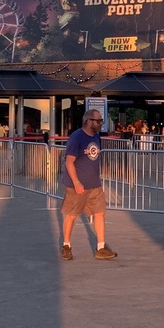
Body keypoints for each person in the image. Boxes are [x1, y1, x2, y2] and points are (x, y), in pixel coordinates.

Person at [60, 109, 116, 260]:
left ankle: (101, 247)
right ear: (89, 121)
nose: (100, 123)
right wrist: (77, 183)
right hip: (77, 186)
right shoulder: (76, 137)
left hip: (94, 185)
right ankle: (66, 245)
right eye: (98, 121)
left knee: (99, 213)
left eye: (101, 120)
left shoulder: (97, 137)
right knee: (71, 215)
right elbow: (69, 162)